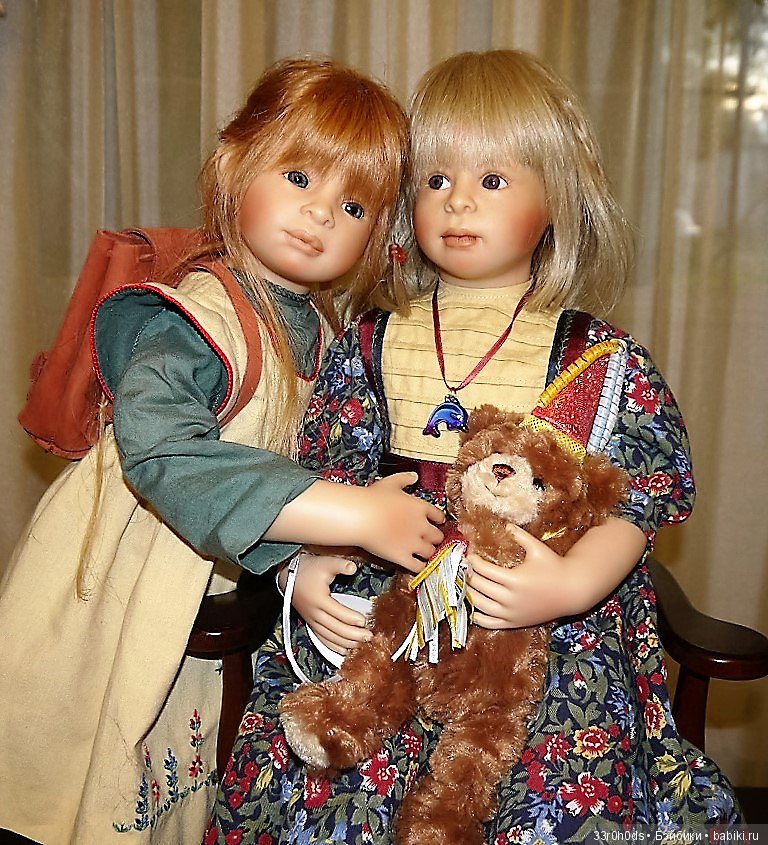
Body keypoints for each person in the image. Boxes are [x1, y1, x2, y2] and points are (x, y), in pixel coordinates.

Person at [205, 50, 741, 844]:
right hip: (388, 610)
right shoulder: (372, 340)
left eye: (493, 179)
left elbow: (637, 496)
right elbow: (321, 475)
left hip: (545, 627)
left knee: (560, 778)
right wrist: (301, 568)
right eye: (434, 179)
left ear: (555, 200)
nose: (458, 200)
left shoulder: (598, 356)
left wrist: (571, 584)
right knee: (326, 763)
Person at [0, 57, 445, 845]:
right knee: (81, 776)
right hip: (121, 589)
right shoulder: (197, 314)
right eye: (298, 176)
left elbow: (280, 474)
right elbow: (166, 454)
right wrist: (351, 513)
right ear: (236, 164)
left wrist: (299, 559)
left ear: (377, 236)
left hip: (207, 592)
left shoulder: (325, 333)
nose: (318, 214)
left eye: (351, 205)